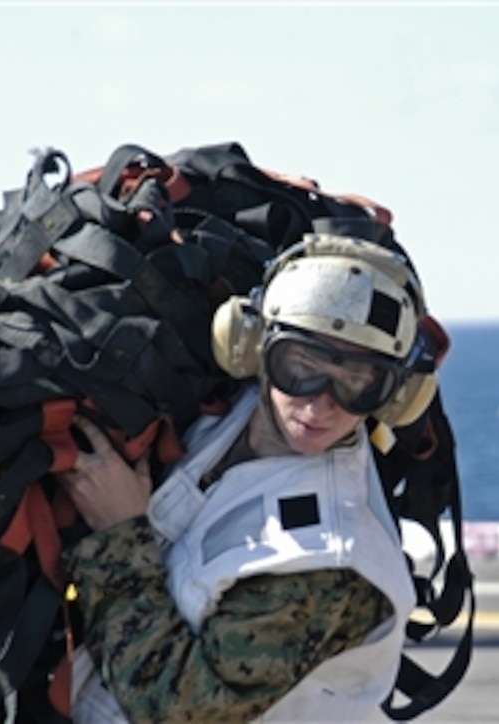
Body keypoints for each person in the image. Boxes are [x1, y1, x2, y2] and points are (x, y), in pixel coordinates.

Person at [59, 233, 440, 722]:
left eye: (357, 384)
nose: (318, 404)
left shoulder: (330, 555)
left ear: (395, 396)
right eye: (300, 366)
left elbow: (185, 711)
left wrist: (119, 536)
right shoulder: (221, 413)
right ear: (253, 346)